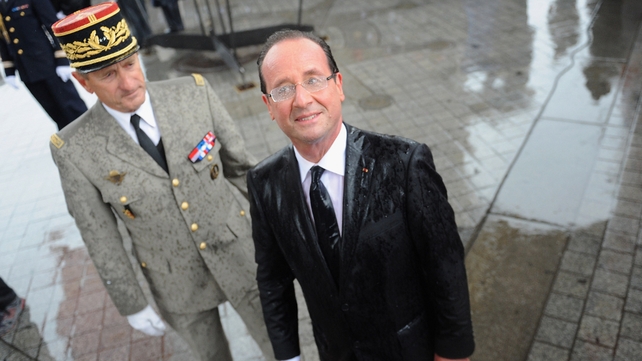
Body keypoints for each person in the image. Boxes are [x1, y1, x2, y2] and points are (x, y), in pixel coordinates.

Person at [49, 3, 272, 360]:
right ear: (82, 81)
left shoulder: (193, 93)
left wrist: (290, 231)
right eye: (108, 75)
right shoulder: (74, 149)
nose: (129, 83)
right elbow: (100, 236)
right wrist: (131, 302)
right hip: (175, 281)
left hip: (240, 252)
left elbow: (243, 171)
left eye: (130, 64)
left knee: (280, 345)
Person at [248, 29, 475, 361]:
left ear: (338, 85)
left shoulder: (404, 163)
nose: (302, 100)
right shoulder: (264, 183)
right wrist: (289, 356)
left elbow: (445, 263)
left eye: (313, 80)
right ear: (269, 105)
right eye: (283, 89)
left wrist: (454, 352)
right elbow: (273, 280)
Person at [0, 0, 87, 130]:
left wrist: (62, 59)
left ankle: (96, 137)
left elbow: (52, 25)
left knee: (73, 108)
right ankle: (72, 144)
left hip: (49, 64)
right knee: (56, 114)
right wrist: (9, 70)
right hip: (27, 70)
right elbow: (3, 39)